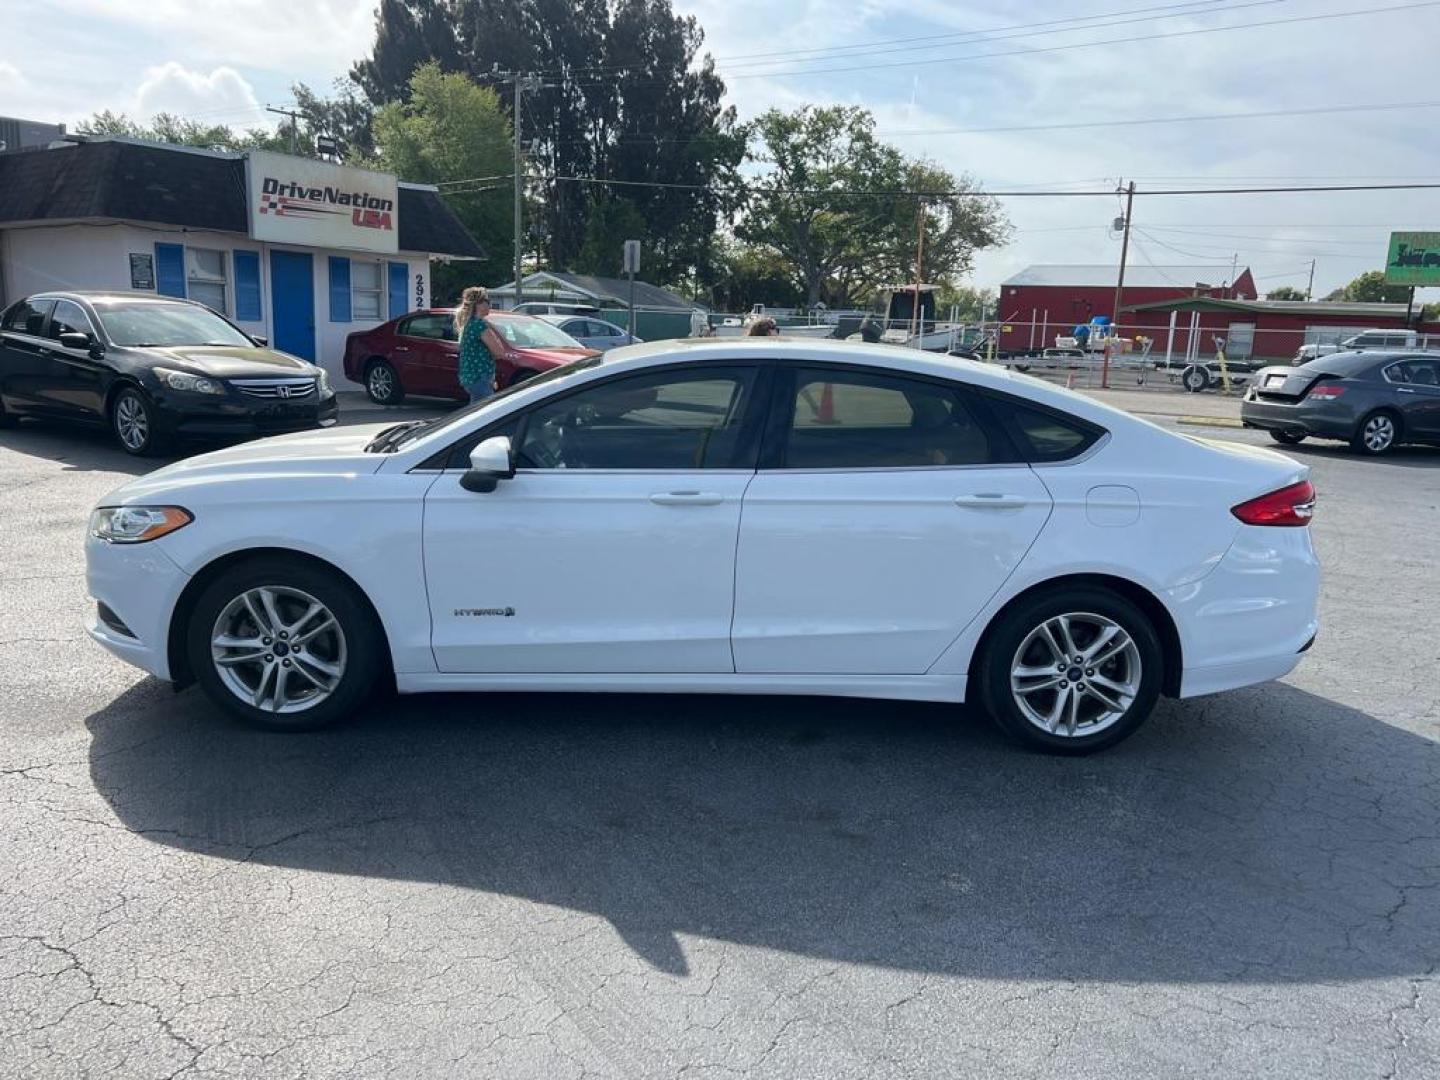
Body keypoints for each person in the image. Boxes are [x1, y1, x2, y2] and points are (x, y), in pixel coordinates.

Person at [454, 286, 506, 404]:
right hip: (481, 377)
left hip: (470, 377)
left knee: (476, 411)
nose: (489, 305)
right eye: (487, 301)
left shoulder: (468, 324)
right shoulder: (479, 325)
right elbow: (499, 352)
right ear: (478, 304)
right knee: (485, 414)